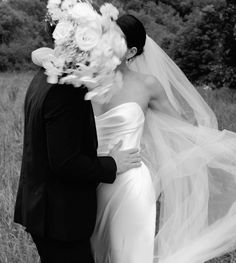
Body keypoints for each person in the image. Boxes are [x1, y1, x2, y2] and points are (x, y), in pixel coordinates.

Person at [32, 14, 236, 263]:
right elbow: (42, 52)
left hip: (129, 184)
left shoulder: (147, 85)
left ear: (131, 51)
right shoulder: (84, 77)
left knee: (127, 255)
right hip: (87, 182)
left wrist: (219, 147)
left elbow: (183, 128)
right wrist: (44, 56)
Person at [13, 18, 141, 263]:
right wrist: (113, 164)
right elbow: (65, 162)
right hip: (60, 219)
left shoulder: (46, 74)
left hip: (45, 210)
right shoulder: (67, 90)